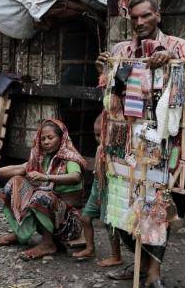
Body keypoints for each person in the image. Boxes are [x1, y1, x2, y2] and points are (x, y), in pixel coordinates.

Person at [95, 0, 185, 288]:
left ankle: (153, 273)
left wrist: (171, 61)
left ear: (158, 15)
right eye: (134, 17)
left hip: (162, 144)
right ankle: (139, 264)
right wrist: (104, 67)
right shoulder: (122, 49)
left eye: (145, 16)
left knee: (156, 208)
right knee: (122, 209)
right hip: (125, 142)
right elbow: (109, 90)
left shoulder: (178, 45)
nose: (139, 22)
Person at [0, 119, 87, 260]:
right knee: (15, 184)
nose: (46, 142)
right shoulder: (42, 158)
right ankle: (21, 233)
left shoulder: (70, 158)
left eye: (50, 138)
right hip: (53, 218)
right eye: (43, 138)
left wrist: (46, 177)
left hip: (69, 224)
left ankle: (48, 244)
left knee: (41, 196)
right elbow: (18, 168)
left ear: (61, 138)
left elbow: (75, 177)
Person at [71, 114, 123, 266]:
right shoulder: (100, 149)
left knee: (109, 223)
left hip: (110, 188)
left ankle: (116, 256)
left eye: (102, 134)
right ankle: (90, 247)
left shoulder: (116, 151)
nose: (99, 137)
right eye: (96, 134)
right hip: (97, 186)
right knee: (86, 218)